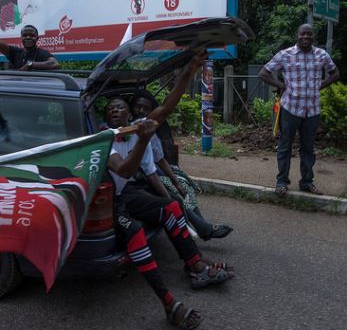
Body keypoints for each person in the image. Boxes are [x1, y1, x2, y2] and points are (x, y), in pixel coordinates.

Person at [107, 51, 233, 330]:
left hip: (126, 194)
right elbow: (125, 170)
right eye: (110, 108)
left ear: (129, 112)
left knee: (173, 207)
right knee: (137, 235)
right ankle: (168, 303)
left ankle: (195, 266)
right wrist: (143, 139)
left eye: (119, 107)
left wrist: (189, 71)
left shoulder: (137, 127)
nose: (114, 110)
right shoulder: (108, 138)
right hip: (109, 202)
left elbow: (164, 109)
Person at [131, 91, 232, 241]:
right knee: (172, 191)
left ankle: (202, 224)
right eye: (137, 107)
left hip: (153, 171)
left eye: (145, 108)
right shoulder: (126, 130)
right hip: (139, 177)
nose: (140, 111)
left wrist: (177, 182)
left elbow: (160, 159)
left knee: (183, 184)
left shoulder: (149, 131)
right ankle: (202, 227)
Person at [258, 23, 340, 196]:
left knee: (308, 148)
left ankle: (307, 182)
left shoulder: (321, 55)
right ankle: (281, 182)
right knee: (285, 146)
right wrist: (281, 85)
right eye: (303, 34)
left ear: (313, 36)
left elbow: (335, 73)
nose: (306, 37)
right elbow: (264, 73)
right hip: (290, 109)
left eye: (309, 34)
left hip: (312, 110)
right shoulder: (285, 55)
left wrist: (320, 86)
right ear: (297, 35)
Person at [0, 0, 59, 71]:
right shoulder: (16, 52)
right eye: (25, 35)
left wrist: (30, 65)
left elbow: (54, 63)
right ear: (21, 38)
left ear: (37, 38)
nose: (28, 37)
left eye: (31, 35)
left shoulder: (41, 53)